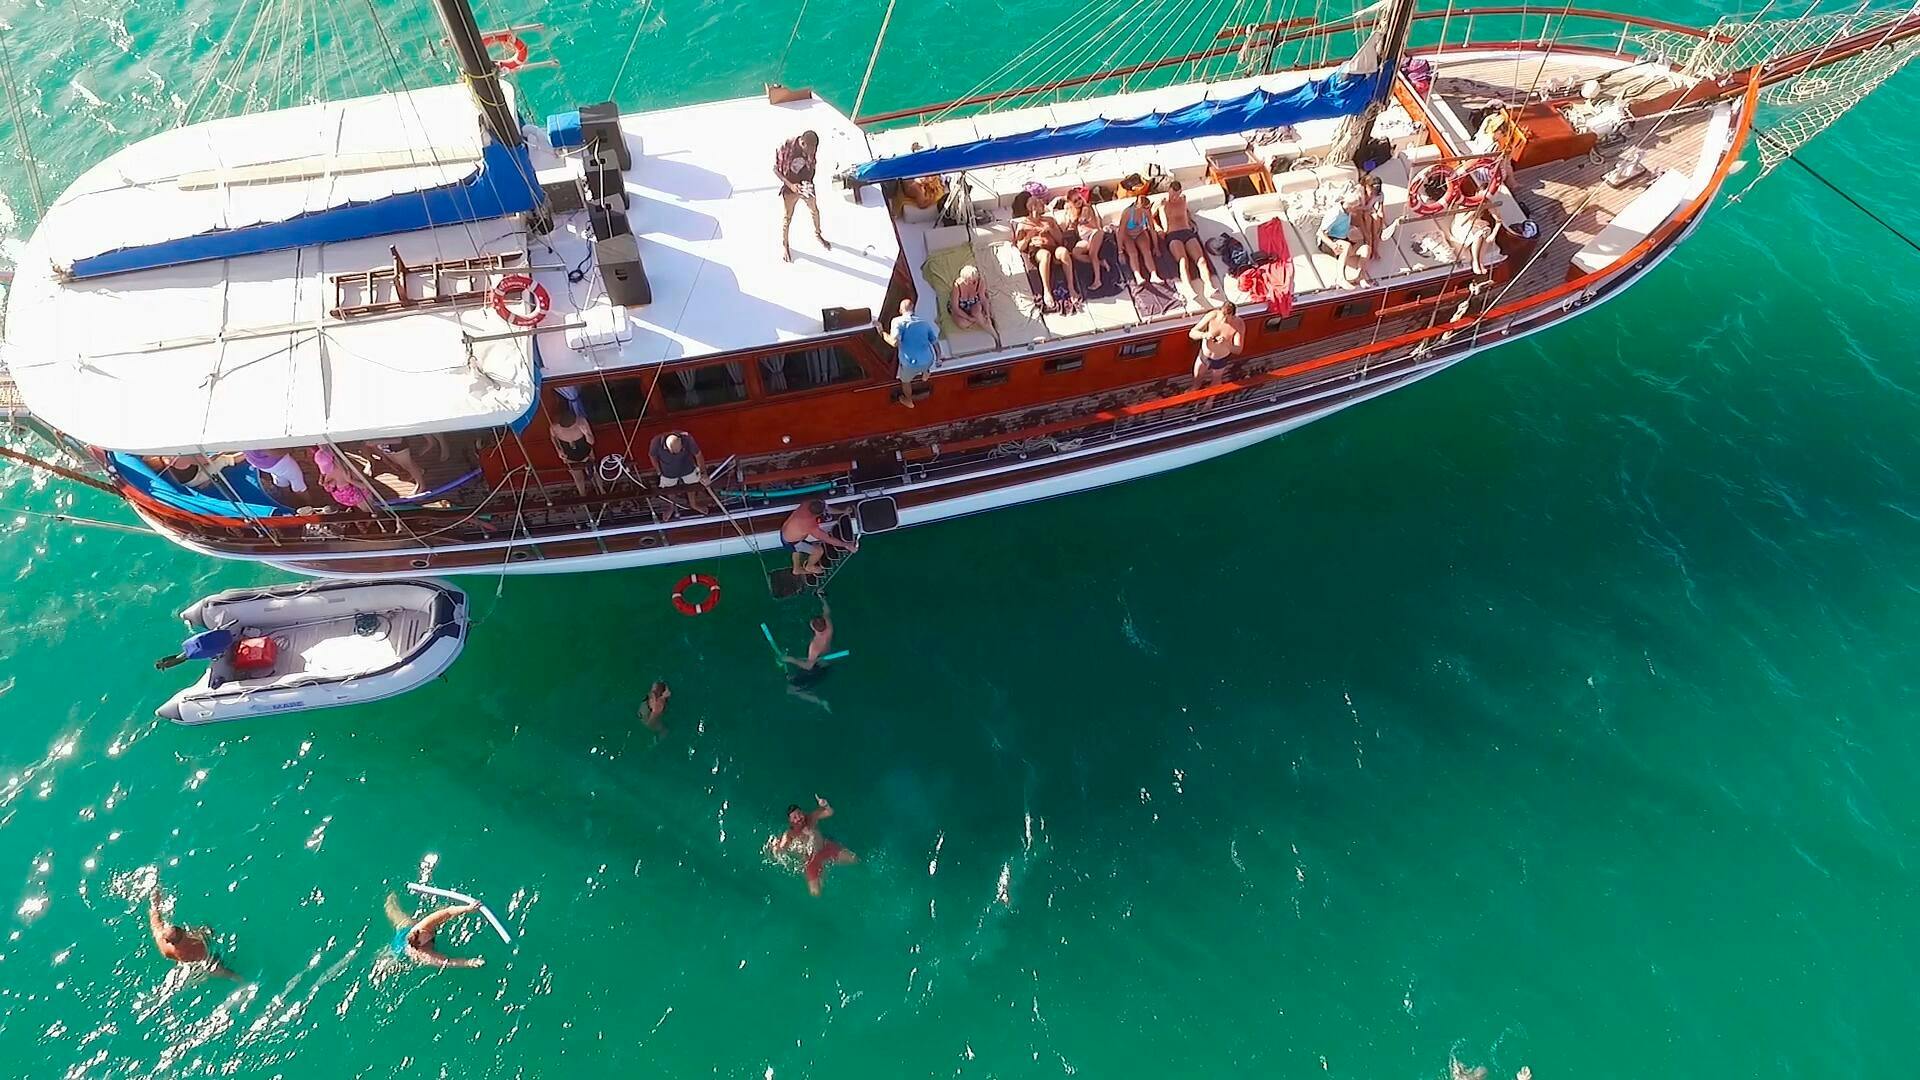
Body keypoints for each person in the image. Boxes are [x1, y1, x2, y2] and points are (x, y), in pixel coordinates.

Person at [767, 796, 857, 897]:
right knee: (815, 893)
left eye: (799, 814)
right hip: (811, 860)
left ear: (803, 812)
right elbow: (782, 848)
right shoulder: (789, 834)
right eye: (795, 817)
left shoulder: (811, 818)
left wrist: (825, 805)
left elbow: (829, 812)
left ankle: (826, 869)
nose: (799, 818)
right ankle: (823, 873)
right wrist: (775, 847)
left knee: (854, 859)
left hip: (825, 848)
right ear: (790, 821)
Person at [148, 886, 241, 980]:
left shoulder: (163, 944)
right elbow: (212, 967)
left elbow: (155, 922)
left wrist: (155, 905)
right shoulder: (196, 949)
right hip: (204, 959)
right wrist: (235, 976)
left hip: (185, 958)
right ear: (184, 933)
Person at [1154, 179, 1217, 301]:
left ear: (1180, 192)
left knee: (1201, 260)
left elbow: (1185, 211)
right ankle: (1188, 287)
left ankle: (1209, 286)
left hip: (1187, 232)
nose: (1174, 198)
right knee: (1183, 260)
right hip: (1172, 234)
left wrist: (1190, 220)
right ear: (1169, 191)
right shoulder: (1162, 202)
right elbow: (1150, 217)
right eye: (1172, 195)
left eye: (1176, 195)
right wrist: (1158, 228)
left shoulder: (1183, 199)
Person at [383, 894, 487, 968]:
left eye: (424, 933)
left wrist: (468, 908)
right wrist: (469, 962)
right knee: (389, 961)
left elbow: (448, 912)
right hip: (400, 950)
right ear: (420, 945)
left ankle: (390, 901)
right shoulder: (423, 953)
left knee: (403, 919)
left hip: (405, 931)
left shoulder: (422, 926)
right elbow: (446, 962)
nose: (428, 934)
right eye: (425, 938)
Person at [775, 130, 830, 262]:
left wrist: (808, 183)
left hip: (806, 186)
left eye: (814, 150)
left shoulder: (811, 147)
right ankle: (785, 245)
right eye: (810, 150)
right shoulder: (788, 147)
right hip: (790, 188)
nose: (812, 153)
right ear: (803, 143)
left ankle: (818, 234)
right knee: (787, 218)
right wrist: (791, 185)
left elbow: (812, 166)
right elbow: (775, 169)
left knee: (815, 211)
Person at [1013, 198, 1072, 313]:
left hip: (1053, 248)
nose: (1042, 205)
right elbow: (1020, 246)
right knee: (1045, 255)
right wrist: (1029, 236)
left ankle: (1071, 287)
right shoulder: (1023, 224)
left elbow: (1060, 240)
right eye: (1039, 204)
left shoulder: (1049, 220)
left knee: (1063, 252)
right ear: (1031, 207)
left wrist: (1051, 230)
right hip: (1038, 251)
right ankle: (1047, 291)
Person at [881, 298, 940, 408]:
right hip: (928, 360)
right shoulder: (924, 322)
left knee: (905, 381)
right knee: (925, 363)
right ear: (913, 309)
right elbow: (935, 342)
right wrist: (938, 358)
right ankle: (925, 373)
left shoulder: (897, 321)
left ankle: (908, 400)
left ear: (900, 310)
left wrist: (882, 332)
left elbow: (894, 342)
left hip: (911, 364)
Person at [780, 498, 857, 576]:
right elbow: (829, 539)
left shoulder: (806, 503)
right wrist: (847, 545)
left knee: (797, 548)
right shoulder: (811, 526)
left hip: (784, 531)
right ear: (818, 514)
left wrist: (843, 511)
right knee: (818, 550)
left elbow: (826, 508)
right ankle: (810, 566)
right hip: (792, 542)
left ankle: (796, 569)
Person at [648, 430, 709, 517]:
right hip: (667, 471)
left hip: (687, 467)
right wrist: (658, 471)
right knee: (669, 489)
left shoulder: (687, 438)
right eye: (673, 453)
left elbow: (698, 455)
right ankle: (671, 506)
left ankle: (693, 504)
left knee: (692, 485)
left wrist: (703, 473)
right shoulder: (656, 442)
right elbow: (652, 456)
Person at [1318, 189, 1371, 286]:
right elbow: (1320, 233)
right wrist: (1333, 245)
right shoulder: (1335, 213)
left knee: (1366, 248)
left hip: (1343, 239)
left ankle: (1360, 276)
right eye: (1357, 207)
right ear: (1351, 207)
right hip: (1328, 241)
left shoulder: (1348, 211)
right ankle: (1340, 278)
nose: (1358, 209)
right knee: (1346, 246)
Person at [1189, 301, 1247, 391]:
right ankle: (1194, 390)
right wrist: (1204, 335)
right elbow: (1192, 333)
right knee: (1197, 377)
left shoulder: (1239, 324)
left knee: (1216, 381)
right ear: (1220, 311)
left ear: (1233, 315)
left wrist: (1226, 343)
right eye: (1223, 316)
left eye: (1227, 318)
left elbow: (1238, 350)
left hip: (1220, 358)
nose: (1224, 320)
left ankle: (1211, 397)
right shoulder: (1212, 315)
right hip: (1204, 355)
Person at [548, 396, 599, 498]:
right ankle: (583, 497)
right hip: (569, 456)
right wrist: (558, 450)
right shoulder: (554, 427)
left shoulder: (582, 422)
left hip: (586, 452)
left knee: (594, 474)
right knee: (578, 479)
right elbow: (553, 438)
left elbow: (592, 442)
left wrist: (586, 433)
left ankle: (601, 491)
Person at [1062, 187, 1107, 291]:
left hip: (1095, 232)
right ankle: (1101, 263)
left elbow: (1083, 219)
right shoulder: (1073, 212)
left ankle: (1097, 280)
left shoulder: (1086, 208)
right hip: (1085, 238)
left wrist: (1079, 219)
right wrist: (1069, 210)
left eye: (1079, 198)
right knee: (1075, 253)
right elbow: (1069, 225)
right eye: (1075, 201)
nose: (1079, 201)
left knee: (1092, 254)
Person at [312, 445, 377, 511]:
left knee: (369, 510)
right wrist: (350, 481)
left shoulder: (340, 472)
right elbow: (365, 486)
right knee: (369, 510)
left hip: (353, 499)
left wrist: (350, 480)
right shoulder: (337, 471)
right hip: (355, 499)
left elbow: (365, 486)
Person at [1119, 192, 1160, 284]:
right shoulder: (1127, 213)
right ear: (1139, 206)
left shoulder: (1147, 212)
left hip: (1140, 233)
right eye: (1146, 208)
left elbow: (1152, 229)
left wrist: (1156, 247)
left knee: (1147, 252)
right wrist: (1120, 250)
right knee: (1133, 253)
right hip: (1127, 234)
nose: (1148, 210)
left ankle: (1154, 274)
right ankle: (1138, 276)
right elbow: (1120, 232)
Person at [155, 625, 234, 671]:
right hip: (192, 650)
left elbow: (176, 658)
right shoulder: (166, 662)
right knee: (183, 657)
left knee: (183, 657)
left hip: (192, 652)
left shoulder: (166, 663)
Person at [1451, 205, 1497, 275]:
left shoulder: (1483, 203)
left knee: (1486, 230)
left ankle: (1480, 261)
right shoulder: (1462, 206)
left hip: (1473, 227)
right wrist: (1473, 211)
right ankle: (1475, 261)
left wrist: (1482, 223)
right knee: (1479, 234)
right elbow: (1462, 222)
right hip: (1460, 229)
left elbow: (1497, 219)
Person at [947, 265, 994, 333]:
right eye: (968, 281)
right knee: (962, 323)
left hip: (973, 303)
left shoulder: (980, 282)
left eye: (974, 281)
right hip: (960, 307)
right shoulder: (957, 286)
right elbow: (955, 308)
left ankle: (989, 328)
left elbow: (983, 298)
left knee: (977, 312)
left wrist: (987, 313)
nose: (971, 283)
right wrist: (969, 318)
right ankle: (979, 321)